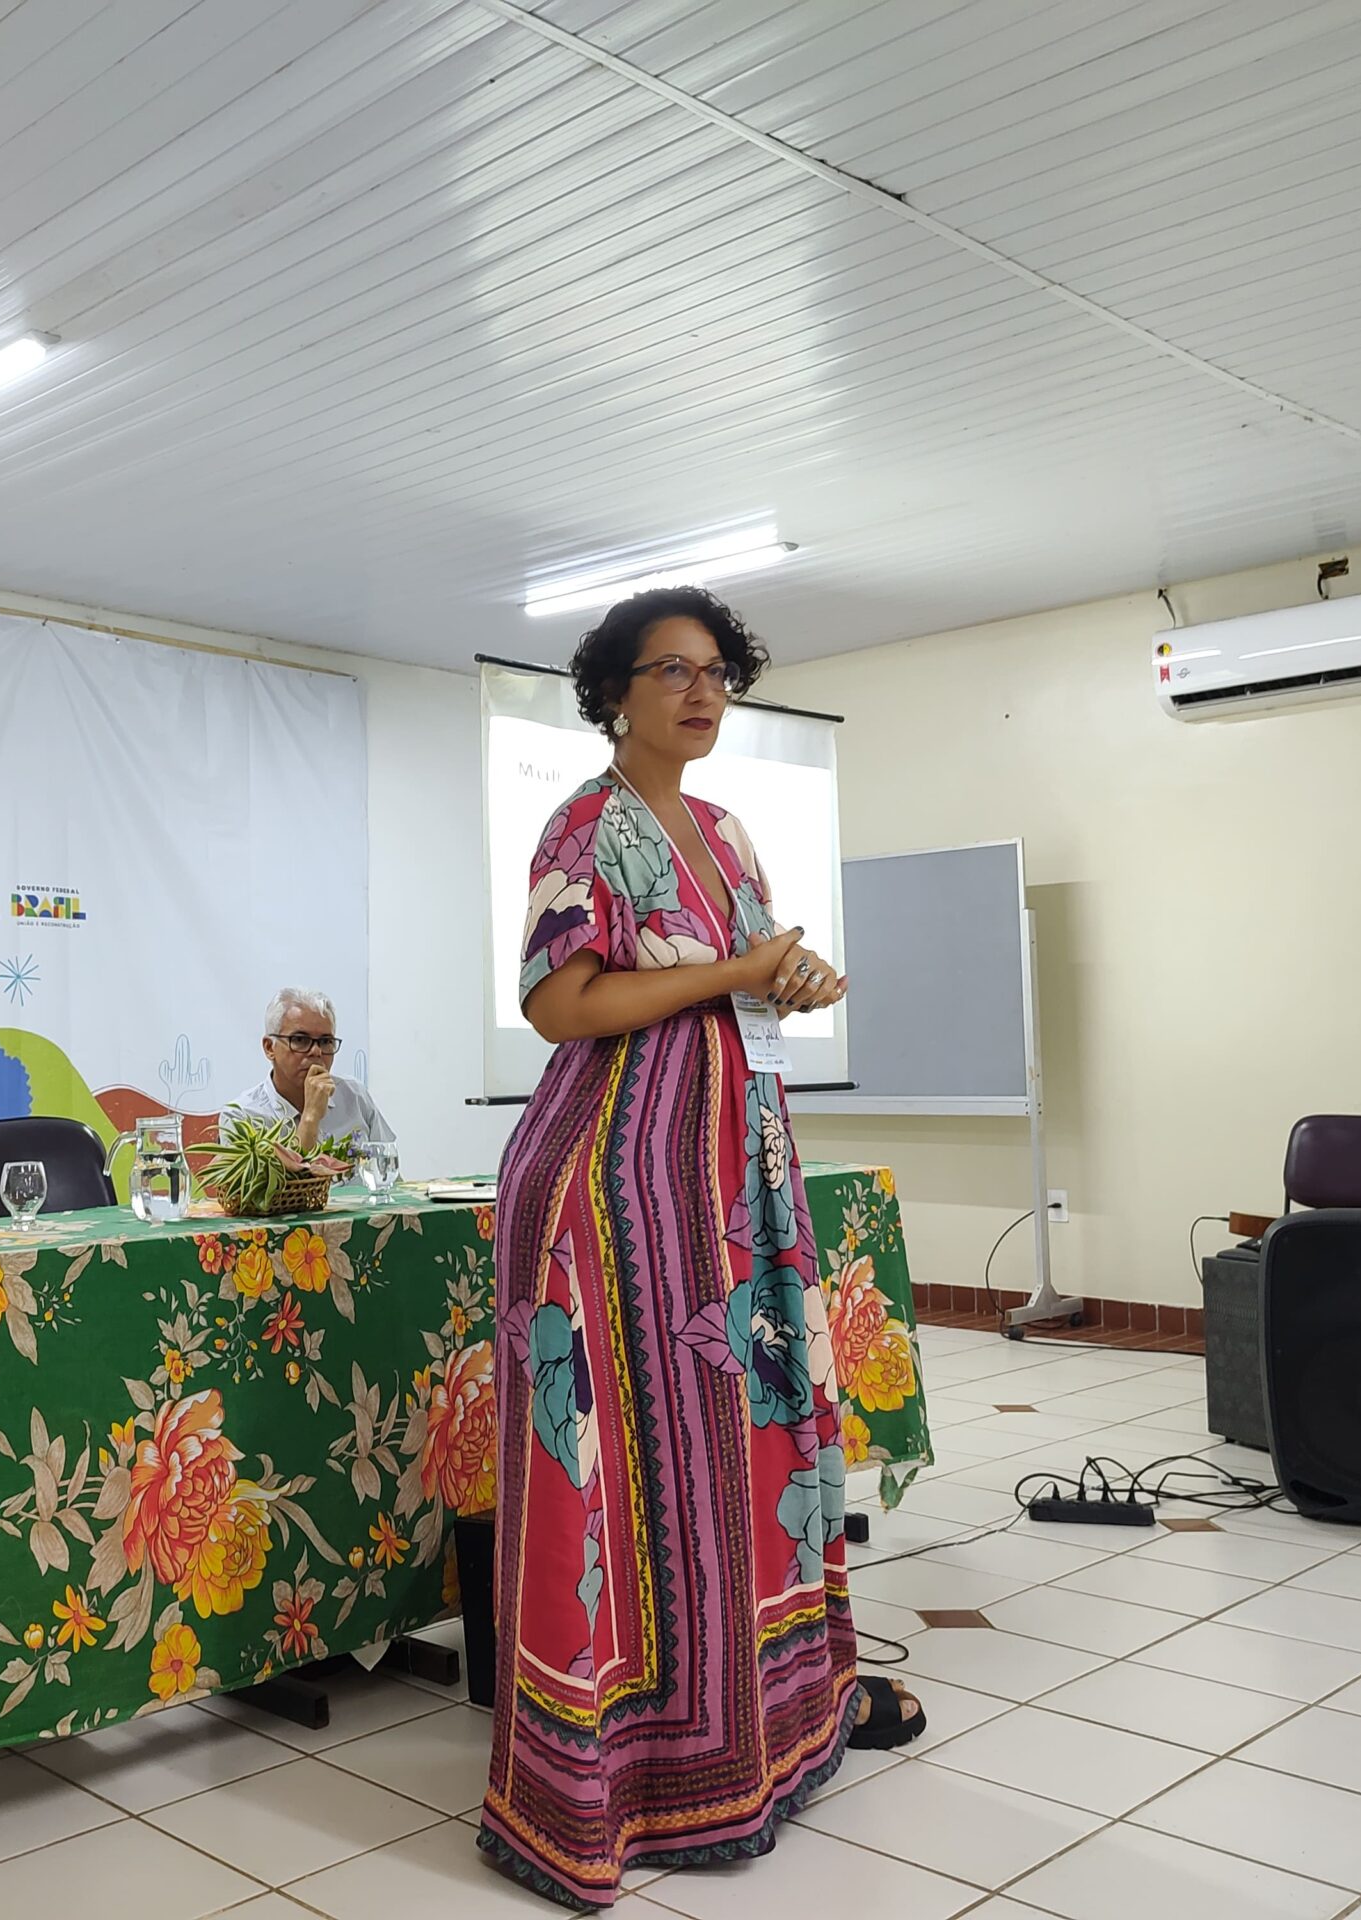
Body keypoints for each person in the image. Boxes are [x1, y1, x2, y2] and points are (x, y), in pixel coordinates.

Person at [479, 586, 920, 1908]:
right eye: (670, 671)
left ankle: (764, 1730)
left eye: (718, 671)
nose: (702, 691)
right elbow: (561, 1002)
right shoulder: (585, 821)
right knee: (627, 1474)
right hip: (612, 1185)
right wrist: (734, 976)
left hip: (730, 1175)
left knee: (738, 1452)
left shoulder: (727, 833)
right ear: (614, 692)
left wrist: (791, 975)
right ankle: (623, 1772)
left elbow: (733, 980)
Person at [221, 988, 394, 1154]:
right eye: (300, 1040)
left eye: (326, 1041)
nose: (316, 1051)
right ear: (269, 1048)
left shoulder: (354, 1096)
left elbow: (389, 1176)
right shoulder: (241, 1116)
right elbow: (284, 1185)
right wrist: (310, 1117)